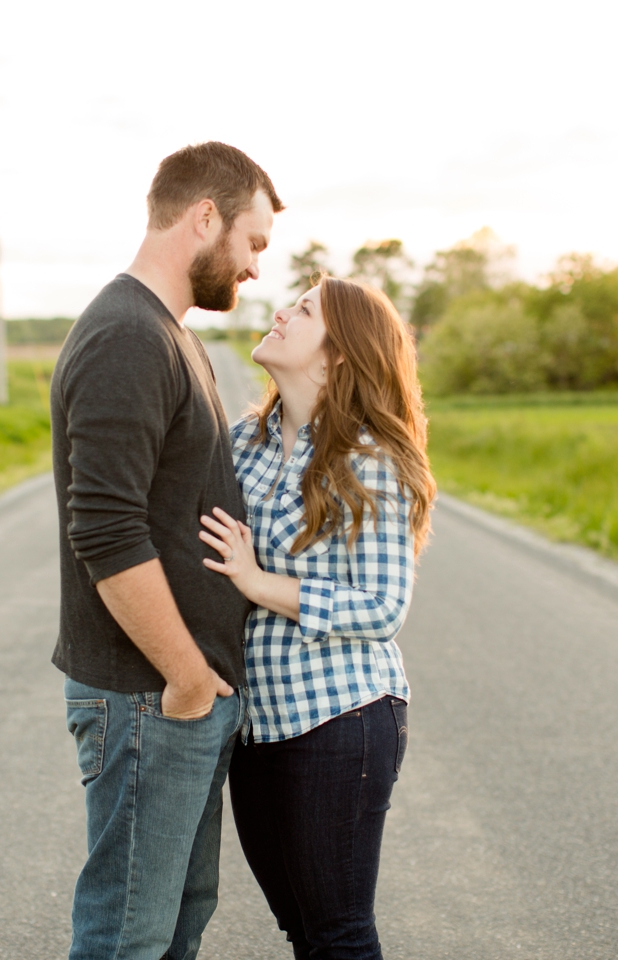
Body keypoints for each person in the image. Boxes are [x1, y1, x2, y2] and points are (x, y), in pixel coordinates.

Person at [50, 142, 282, 960]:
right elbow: (106, 531)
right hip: (149, 694)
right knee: (128, 938)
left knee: (177, 922)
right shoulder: (126, 337)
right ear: (204, 216)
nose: (256, 267)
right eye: (254, 242)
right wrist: (185, 677)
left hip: (181, 697)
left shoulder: (170, 335)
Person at [198, 276, 436, 960]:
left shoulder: (370, 461)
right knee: (302, 930)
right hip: (257, 725)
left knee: (338, 933)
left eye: (304, 311)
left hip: (342, 720)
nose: (281, 312)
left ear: (337, 355)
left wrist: (257, 582)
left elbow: (384, 607)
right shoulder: (245, 443)